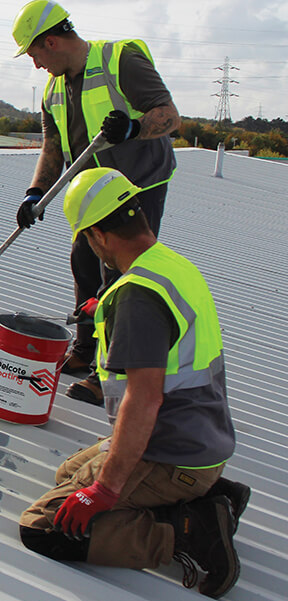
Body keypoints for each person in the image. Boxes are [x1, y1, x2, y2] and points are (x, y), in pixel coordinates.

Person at [18, 167, 249, 599]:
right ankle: (215, 496)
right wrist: (105, 307)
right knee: (68, 472)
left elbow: (143, 400)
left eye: (86, 237)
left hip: (171, 453)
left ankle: (188, 535)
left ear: (100, 235)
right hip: (202, 442)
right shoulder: (168, 265)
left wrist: (104, 491)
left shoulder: (138, 299)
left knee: (46, 525)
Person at [12, 0, 181, 406]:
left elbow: (170, 117)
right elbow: (53, 146)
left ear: (51, 41)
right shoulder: (54, 89)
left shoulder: (120, 59)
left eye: (35, 55)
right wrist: (35, 193)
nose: (36, 66)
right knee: (85, 264)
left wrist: (133, 128)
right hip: (92, 192)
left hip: (137, 189)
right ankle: (86, 350)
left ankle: (108, 375)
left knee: (121, 279)